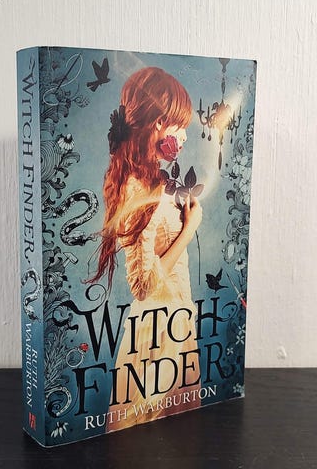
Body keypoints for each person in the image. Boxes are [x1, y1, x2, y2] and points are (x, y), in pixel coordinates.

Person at [90, 66, 203, 430]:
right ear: (158, 124)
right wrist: (190, 229)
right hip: (157, 340)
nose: (184, 136)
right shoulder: (139, 189)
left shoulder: (150, 179)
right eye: (179, 125)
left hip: (177, 323)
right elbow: (143, 286)